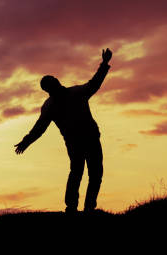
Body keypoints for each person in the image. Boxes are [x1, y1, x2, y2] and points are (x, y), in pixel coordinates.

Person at [14, 48, 112, 213]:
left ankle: (87, 207)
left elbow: (95, 83)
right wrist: (26, 141)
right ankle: (74, 207)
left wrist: (104, 64)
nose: (56, 81)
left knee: (92, 173)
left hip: (89, 139)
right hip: (78, 142)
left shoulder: (74, 93)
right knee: (80, 172)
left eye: (54, 79)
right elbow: (39, 128)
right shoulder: (52, 105)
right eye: (52, 82)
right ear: (49, 88)